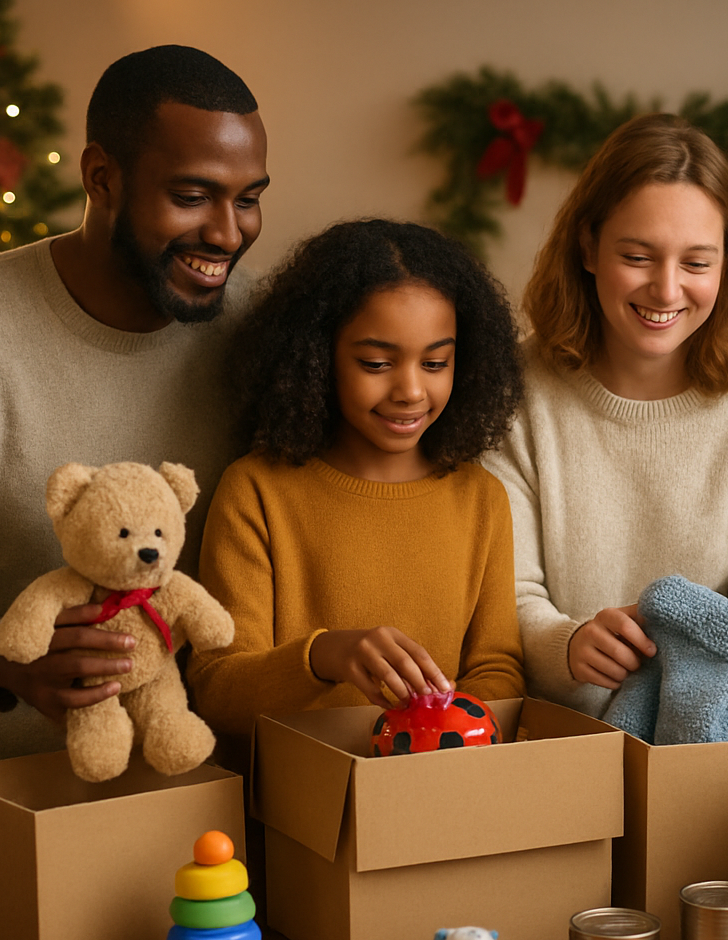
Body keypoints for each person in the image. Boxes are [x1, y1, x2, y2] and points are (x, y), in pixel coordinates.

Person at [0, 45, 268, 907]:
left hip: (183, 789)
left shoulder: (252, 334)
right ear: (102, 177)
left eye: (248, 198)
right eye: (192, 196)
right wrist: (9, 665)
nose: (228, 232)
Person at [483, 114, 728, 721]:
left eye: (696, 263)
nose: (666, 290)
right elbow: (508, 598)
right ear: (587, 246)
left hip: (706, 745)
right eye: (638, 256)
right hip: (553, 742)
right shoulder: (515, 393)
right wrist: (569, 644)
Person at [190, 220, 526, 759]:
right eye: (376, 363)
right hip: (304, 811)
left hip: (446, 798)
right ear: (319, 358)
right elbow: (217, 689)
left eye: (436, 362)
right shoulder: (256, 491)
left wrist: (441, 737)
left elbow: (497, 668)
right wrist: (323, 655)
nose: (412, 390)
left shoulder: (481, 498)